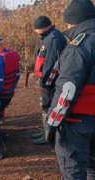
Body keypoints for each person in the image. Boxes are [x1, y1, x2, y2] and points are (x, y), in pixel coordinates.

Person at [46, 0, 95, 179]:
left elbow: (67, 90)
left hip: (77, 123)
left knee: (73, 172)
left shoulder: (79, 47)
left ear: (74, 21)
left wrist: (52, 124)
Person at [32, 16, 67, 145]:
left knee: (49, 107)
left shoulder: (53, 39)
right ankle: (45, 131)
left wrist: (46, 83)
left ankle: (49, 136)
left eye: (37, 29)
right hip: (45, 79)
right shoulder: (48, 37)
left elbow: (53, 64)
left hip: (51, 82)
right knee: (45, 107)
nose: (36, 32)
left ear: (44, 27)